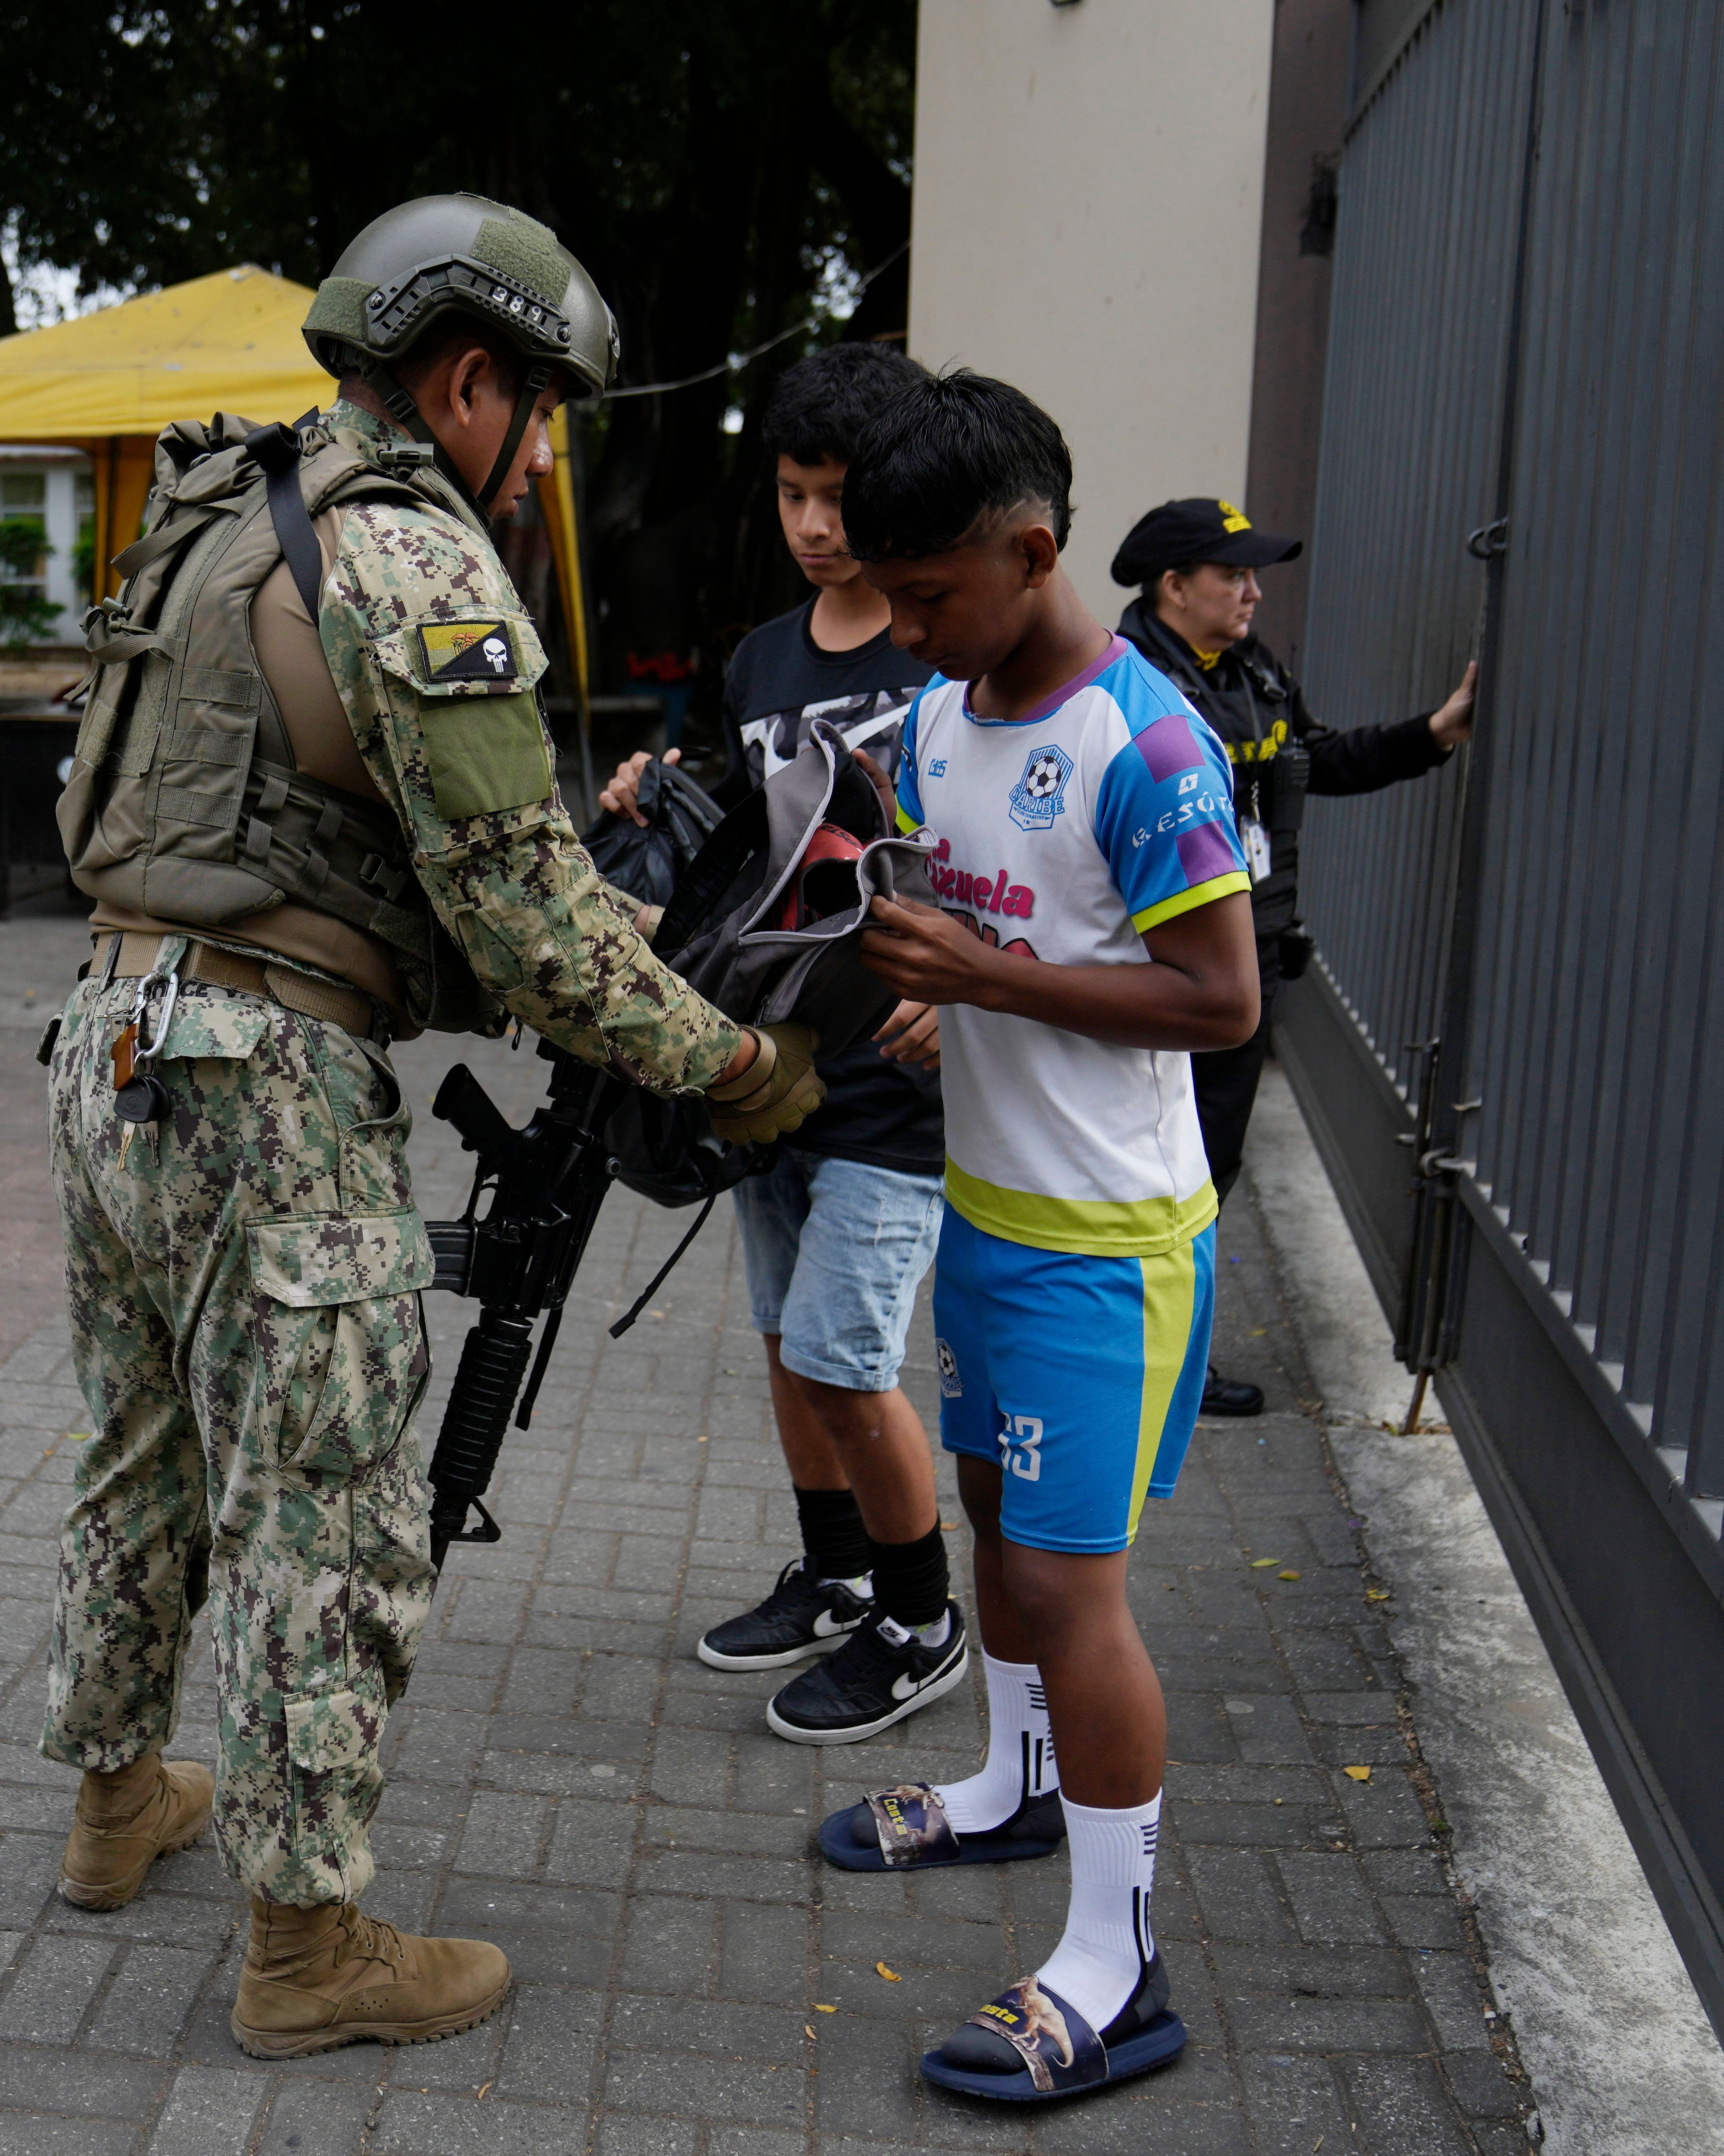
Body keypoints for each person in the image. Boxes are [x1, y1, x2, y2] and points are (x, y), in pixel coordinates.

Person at [43, 192, 825, 2061]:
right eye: (537, 410)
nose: (542, 450)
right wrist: (736, 1065)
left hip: (115, 1040)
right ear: (467, 380)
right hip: (265, 1085)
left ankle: (112, 1802)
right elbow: (526, 917)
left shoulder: (225, 506)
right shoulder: (409, 551)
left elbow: (324, 829)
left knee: (141, 1447)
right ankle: (307, 1950)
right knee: (325, 1507)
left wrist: (571, 916)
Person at [827, 370, 1260, 2103]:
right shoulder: (942, 717)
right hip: (987, 1220)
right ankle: (1009, 1789)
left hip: (1110, 1249)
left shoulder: (1155, 742)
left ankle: (1119, 1960)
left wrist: (981, 979)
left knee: (1076, 1592)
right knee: (998, 1530)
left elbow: (1218, 1001)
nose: (908, 628)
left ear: (1029, 548)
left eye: (928, 595)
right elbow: (1010, 920)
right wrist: (958, 1004)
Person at [598, 342, 962, 1746]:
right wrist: (656, 800)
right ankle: (836, 1574)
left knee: (844, 1359)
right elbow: (734, 857)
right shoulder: (756, 658)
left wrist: (979, 988)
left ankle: (921, 1617)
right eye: (793, 493)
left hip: (896, 1084)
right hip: (765, 1074)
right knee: (783, 1344)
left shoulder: (941, 648)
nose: (815, 525)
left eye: (840, 495)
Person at [1111, 498, 1475, 1415]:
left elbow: (1318, 759)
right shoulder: (1126, 688)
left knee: (1208, 1169)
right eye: (1233, 575)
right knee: (1147, 1166)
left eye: (1253, 574)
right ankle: (1130, 1358)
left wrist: (1435, 731)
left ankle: (1169, 1362)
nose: (1253, 591)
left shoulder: (1248, 671)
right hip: (1158, 964)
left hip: (1249, 952)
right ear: (1173, 586)